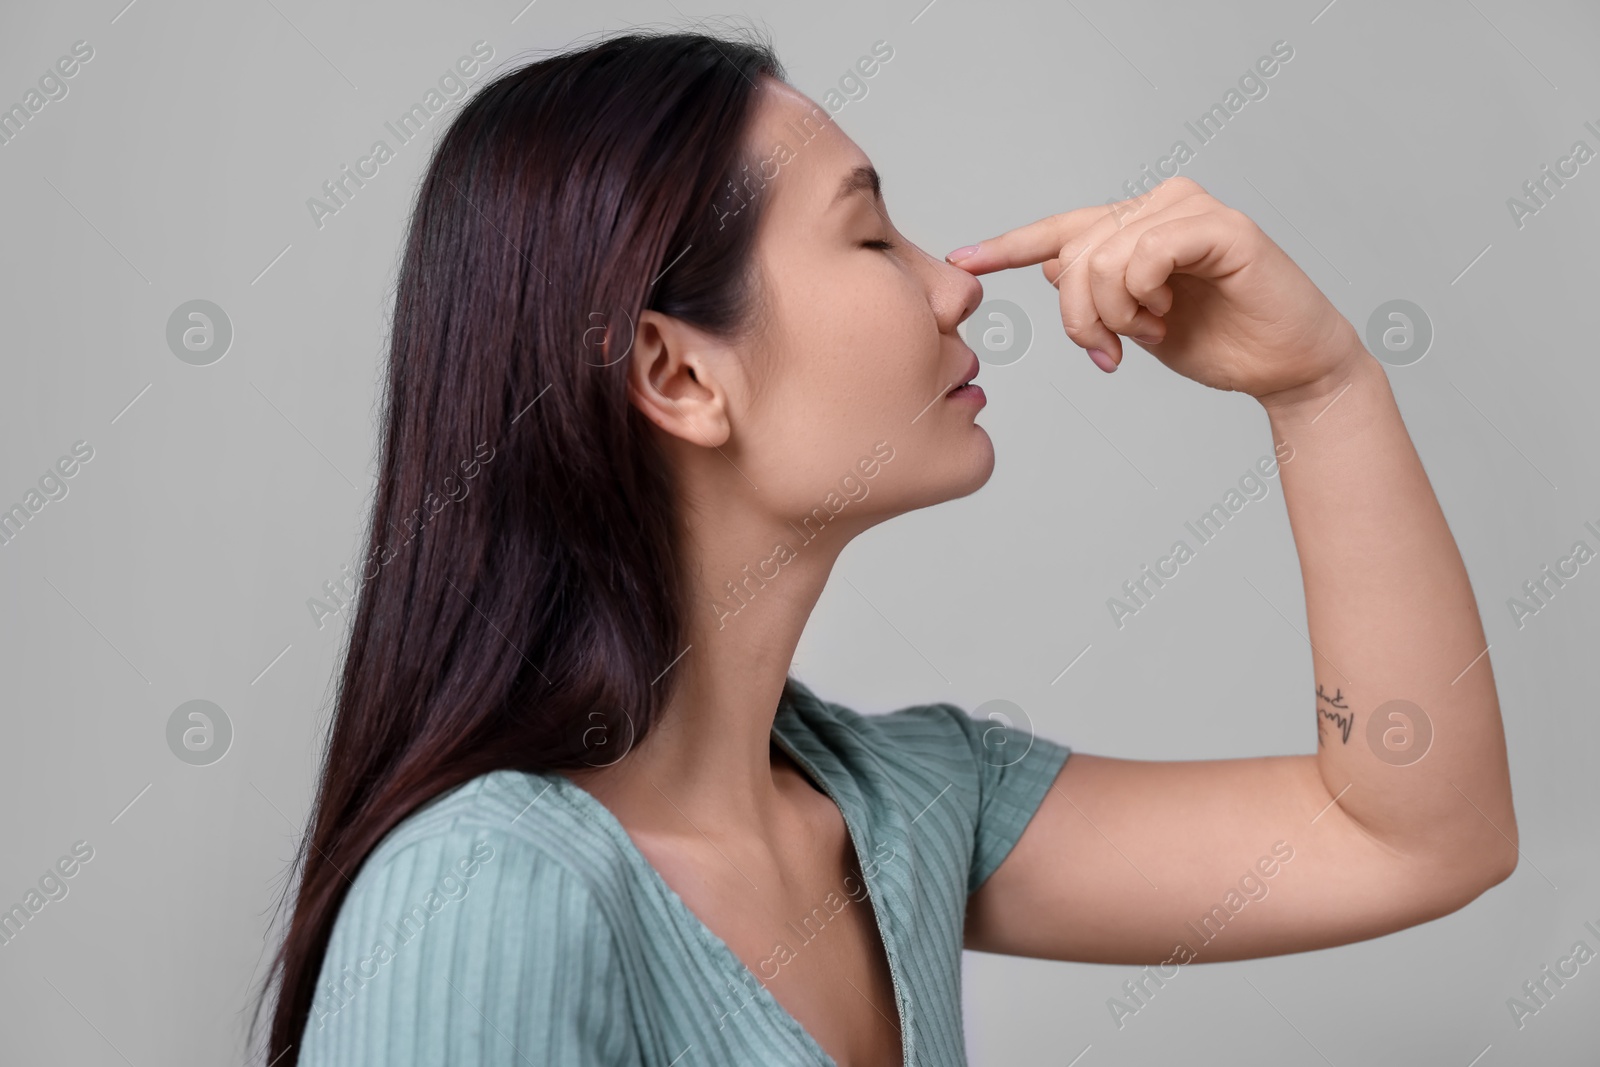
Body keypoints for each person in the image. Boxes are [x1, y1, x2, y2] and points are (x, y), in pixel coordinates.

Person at [250, 25, 1517, 1067]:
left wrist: (1321, 389)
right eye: (872, 236)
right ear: (677, 372)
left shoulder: (907, 807)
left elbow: (1414, 834)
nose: (957, 283)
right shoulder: (484, 900)